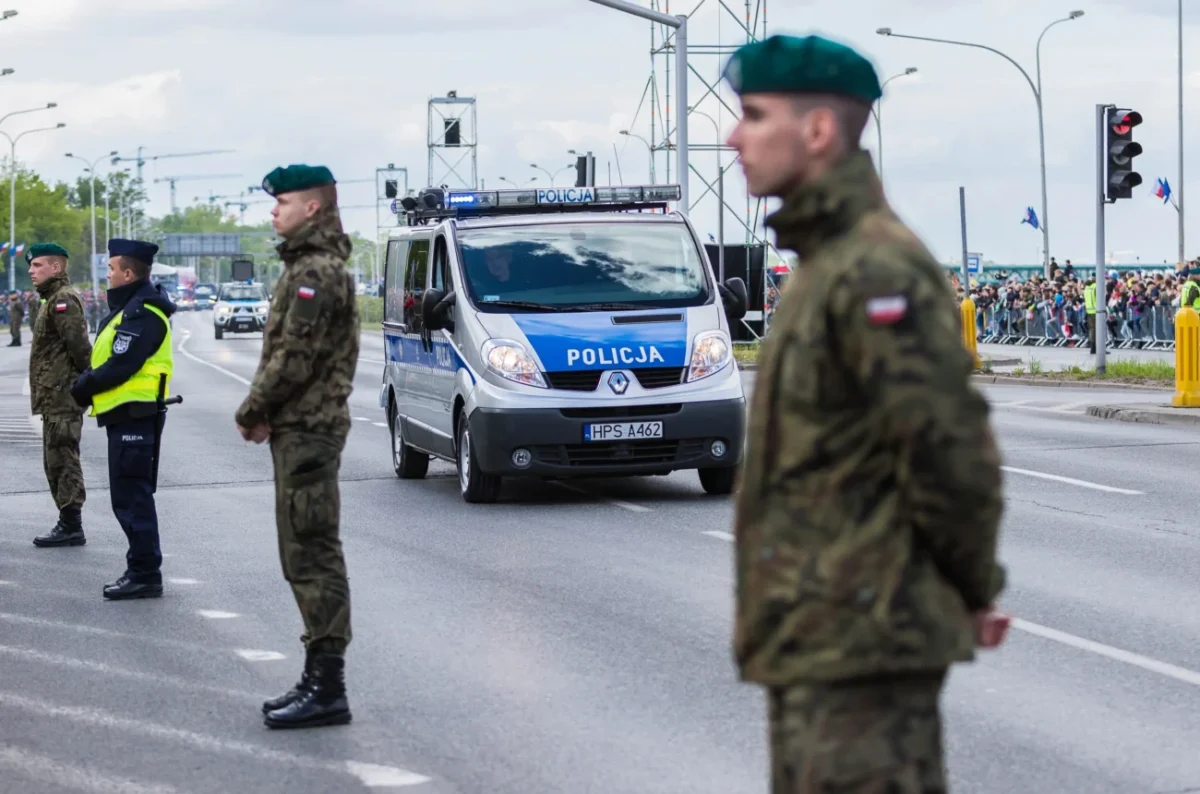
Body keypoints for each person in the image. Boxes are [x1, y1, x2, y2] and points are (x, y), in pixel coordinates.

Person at [723, 34, 1010, 793]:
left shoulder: (873, 266)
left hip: (865, 642)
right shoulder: (826, 262)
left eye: (754, 115)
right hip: (824, 637)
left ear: (818, 130)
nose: (732, 137)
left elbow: (948, 451)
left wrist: (972, 586)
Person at [236, 164, 358, 730]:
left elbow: (295, 354)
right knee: (301, 550)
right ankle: (317, 676)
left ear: (312, 207)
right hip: (301, 427)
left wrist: (253, 407)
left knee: (311, 551)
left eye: (281, 202)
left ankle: (328, 686)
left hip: (310, 429)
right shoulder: (307, 266)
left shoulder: (315, 271)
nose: (273, 211)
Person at [70, 239, 175, 600]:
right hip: (125, 417)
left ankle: (145, 574)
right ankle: (142, 570)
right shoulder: (129, 309)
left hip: (135, 417)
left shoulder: (143, 313)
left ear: (128, 274)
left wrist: (82, 389)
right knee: (128, 498)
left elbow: (121, 364)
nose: (108, 275)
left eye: (112, 269)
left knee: (133, 499)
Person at [27, 243, 93, 548]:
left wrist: (84, 386)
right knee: (54, 460)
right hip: (52, 397)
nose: (32, 271)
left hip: (63, 397)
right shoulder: (50, 299)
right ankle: (67, 522)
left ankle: (71, 525)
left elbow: (80, 349)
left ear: (56, 267)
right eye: (31, 266)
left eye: (38, 265)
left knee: (63, 460)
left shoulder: (63, 299)